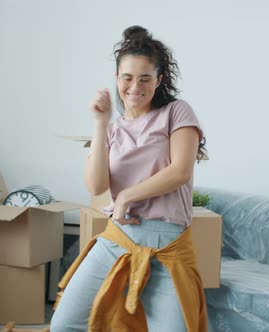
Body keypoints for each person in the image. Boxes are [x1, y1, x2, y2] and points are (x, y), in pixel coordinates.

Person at [50, 25, 207, 332]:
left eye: (145, 78)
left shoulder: (177, 112)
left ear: (158, 80)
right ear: (117, 79)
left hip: (168, 248)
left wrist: (126, 196)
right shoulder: (111, 130)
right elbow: (95, 186)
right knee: (64, 325)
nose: (135, 86)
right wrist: (100, 123)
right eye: (127, 77)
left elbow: (180, 171)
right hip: (117, 240)